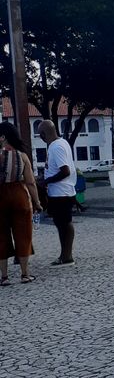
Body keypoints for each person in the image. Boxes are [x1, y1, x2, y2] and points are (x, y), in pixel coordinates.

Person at [0, 122, 41, 285]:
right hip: (20, 196)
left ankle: (4, 277)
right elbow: (31, 182)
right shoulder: (23, 156)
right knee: (24, 234)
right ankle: (25, 274)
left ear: (3, 137)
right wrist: (37, 202)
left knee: (1, 236)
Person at [37, 121, 76, 266]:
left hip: (61, 191)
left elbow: (65, 171)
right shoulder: (61, 143)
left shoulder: (57, 147)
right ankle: (64, 254)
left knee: (64, 223)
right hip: (59, 191)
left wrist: (46, 181)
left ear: (43, 134)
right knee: (60, 223)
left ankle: (67, 256)